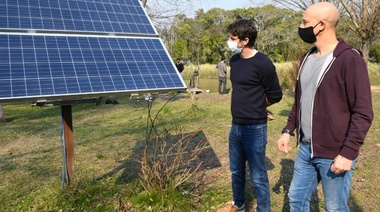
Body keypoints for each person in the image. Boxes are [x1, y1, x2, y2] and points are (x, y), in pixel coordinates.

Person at [276, 2, 373, 211]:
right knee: (296, 200)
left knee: (335, 208)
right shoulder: (307, 58)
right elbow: (300, 100)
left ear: (320, 25)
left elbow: (363, 112)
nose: (301, 27)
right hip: (306, 151)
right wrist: (288, 131)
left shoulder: (349, 59)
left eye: (304, 22)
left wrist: (348, 153)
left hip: (335, 152)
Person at [217, 19, 283, 212]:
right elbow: (242, 91)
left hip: (255, 128)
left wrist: (259, 108)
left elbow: (275, 95)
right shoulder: (234, 61)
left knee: (258, 175)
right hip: (235, 126)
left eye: (233, 38)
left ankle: (264, 209)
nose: (229, 41)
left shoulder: (263, 63)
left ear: (245, 40)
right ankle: (238, 204)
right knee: (236, 171)